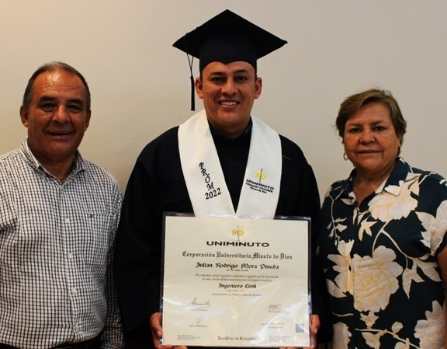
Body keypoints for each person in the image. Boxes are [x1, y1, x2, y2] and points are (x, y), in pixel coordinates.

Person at [115, 9, 328, 349]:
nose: (229, 89)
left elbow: (310, 250)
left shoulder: (289, 159)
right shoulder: (161, 156)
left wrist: (309, 309)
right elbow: (135, 250)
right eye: (217, 78)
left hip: (270, 338)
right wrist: (149, 313)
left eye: (241, 77)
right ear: (199, 86)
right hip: (184, 337)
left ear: (257, 87)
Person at [0, 62, 122, 348]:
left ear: (87, 118)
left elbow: (114, 283)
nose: (61, 117)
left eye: (75, 107)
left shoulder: (106, 187)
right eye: (48, 105)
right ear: (24, 114)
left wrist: (114, 343)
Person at [318, 88, 447, 348]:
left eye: (378, 128)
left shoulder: (433, 192)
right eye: (355, 130)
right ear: (343, 140)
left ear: (399, 135)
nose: (367, 138)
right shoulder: (334, 199)